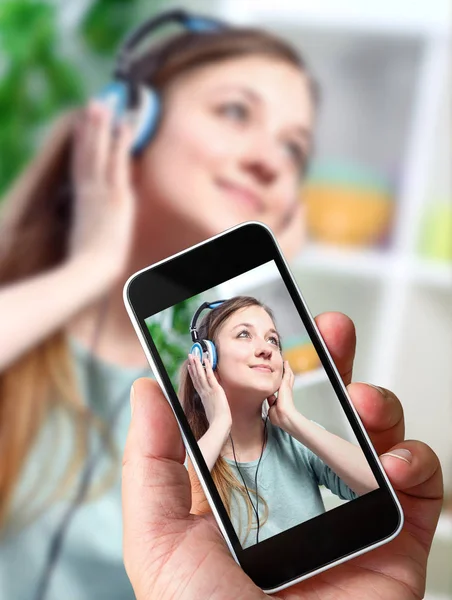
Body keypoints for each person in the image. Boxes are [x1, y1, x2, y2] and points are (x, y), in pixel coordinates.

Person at [0, 8, 442, 600]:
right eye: (235, 111)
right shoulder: (35, 323)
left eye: (292, 146)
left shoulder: (228, 379)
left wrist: (288, 422)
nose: (268, 158)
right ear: (134, 121)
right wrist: (91, 268)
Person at [179, 295, 378, 548]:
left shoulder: (297, 437)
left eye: (272, 340)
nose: (266, 349)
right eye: (244, 335)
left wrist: (291, 419)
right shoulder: (187, 452)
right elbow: (176, 513)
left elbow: (377, 485)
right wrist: (219, 423)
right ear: (207, 357)